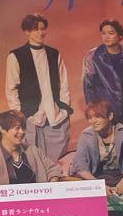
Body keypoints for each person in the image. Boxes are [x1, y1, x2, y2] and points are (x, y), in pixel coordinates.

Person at [4, 13, 73, 160]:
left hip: (55, 113)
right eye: (36, 29)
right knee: (33, 159)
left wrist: (65, 108)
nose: (40, 32)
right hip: (31, 116)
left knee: (57, 160)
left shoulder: (54, 54)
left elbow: (64, 83)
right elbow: (11, 88)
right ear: (27, 31)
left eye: (42, 29)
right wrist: (19, 113)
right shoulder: (16, 56)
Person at [82, 19, 123, 144]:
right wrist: (95, 111)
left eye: (111, 33)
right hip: (106, 111)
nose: (106, 36)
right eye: (103, 33)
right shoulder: (93, 56)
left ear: (120, 36)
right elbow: (88, 85)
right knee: (110, 145)